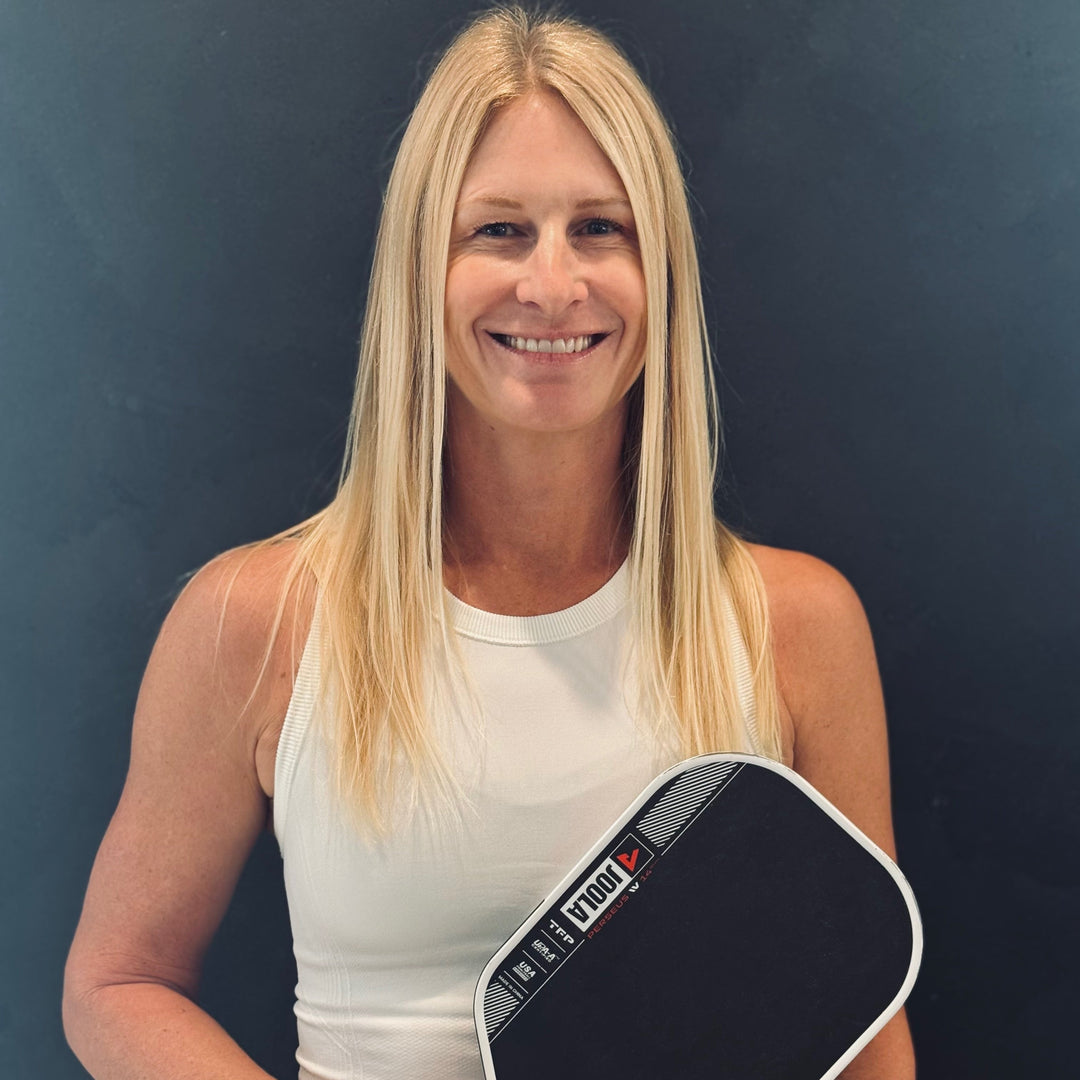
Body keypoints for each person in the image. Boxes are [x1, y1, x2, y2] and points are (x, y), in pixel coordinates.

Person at [62, 5, 916, 1078]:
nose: (552, 285)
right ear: (422, 267)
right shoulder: (258, 622)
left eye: (600, 228)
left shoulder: (793, 627)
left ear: (662, 269)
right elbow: (117, 981)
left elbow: (865, 1022)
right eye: (499, 231)